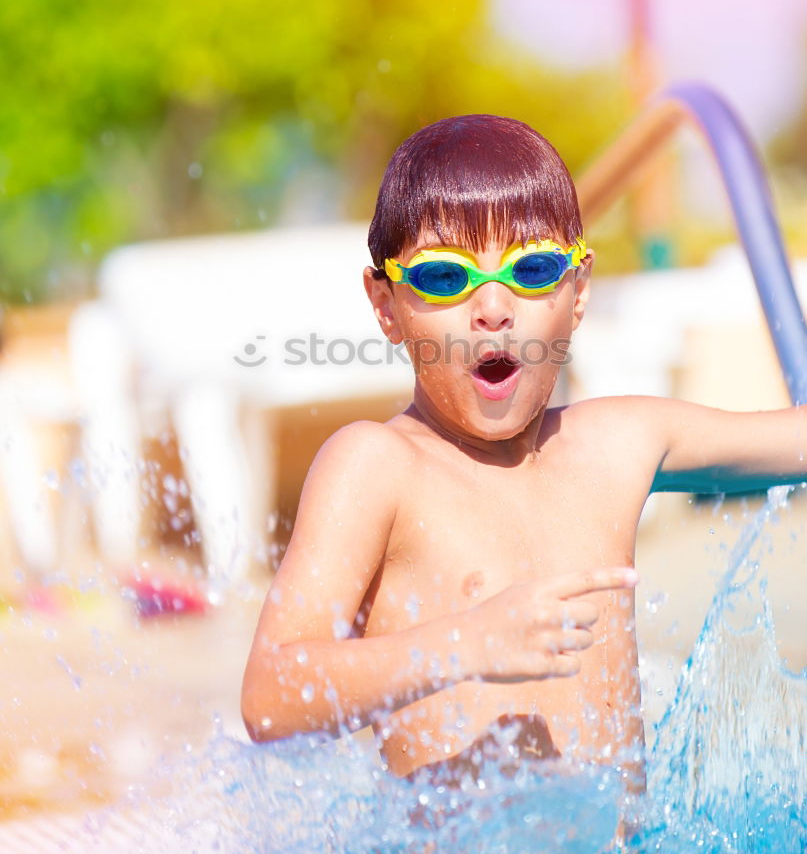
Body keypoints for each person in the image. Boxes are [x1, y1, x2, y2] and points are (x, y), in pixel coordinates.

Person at [241, 114, 806, 794]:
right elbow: (270, 697)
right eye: (445, 276)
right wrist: (464, 644)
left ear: (578, 292)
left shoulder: (616, 443)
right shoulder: (376, 467)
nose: (492, 307)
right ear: (385, 306)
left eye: (533, 268)